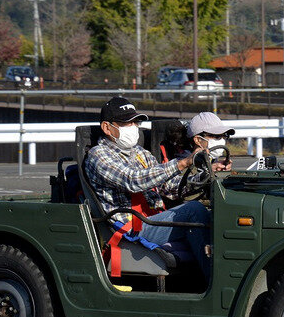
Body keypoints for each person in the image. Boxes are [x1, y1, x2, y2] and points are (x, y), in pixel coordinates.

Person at [83, 96, 211, 279]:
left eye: (135, 122)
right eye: (127, 123)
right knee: (194, 210)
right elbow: (133, 181)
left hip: (152, 219)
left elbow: (170, 188)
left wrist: (203, 177)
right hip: (130, 227)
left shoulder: (141, 153)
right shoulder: (98, 155)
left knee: (212, 213)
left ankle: (201, 281)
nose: (134, 127)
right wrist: (182, 163)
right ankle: (213, 282)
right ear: (107, 127)